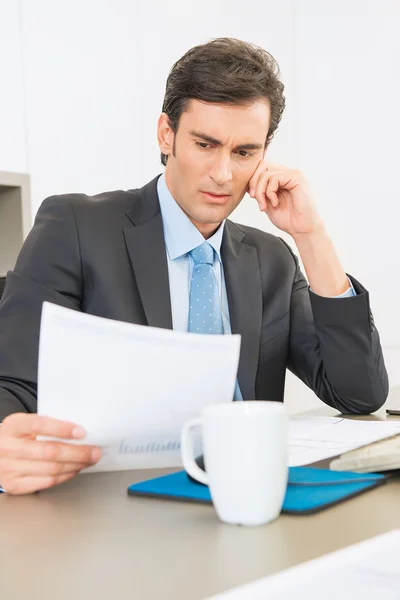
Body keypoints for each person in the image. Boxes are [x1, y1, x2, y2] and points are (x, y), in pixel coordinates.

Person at [0, 38, 388, 495]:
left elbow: (358, 393)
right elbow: (13, 386)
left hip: (243, 500)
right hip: (117, 505)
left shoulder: (272, 260)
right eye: (206, 144)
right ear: (166, 134)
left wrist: (311, 236)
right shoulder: (76, 227)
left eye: (244, 152)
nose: (223, 174)